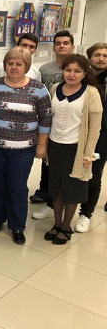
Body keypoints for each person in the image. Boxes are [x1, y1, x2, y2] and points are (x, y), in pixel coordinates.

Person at [0, 47, 52, 245]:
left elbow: (46, 118)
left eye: (18, 64)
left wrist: (41, 145)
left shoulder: (38, 89)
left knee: (17, 186)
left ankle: (17, 226)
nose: (14, 67)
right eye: (10, 63)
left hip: (23, 149)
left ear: (27, 66)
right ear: (5, 65)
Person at [44, 54, 102, 245]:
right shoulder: (55, 88)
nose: (71, 74)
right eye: (68, 70)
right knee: (57, 187)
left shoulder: (91, 93)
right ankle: (56, 223)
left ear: (85, 73)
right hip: (55, 145)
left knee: (72, 189)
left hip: (76, 149)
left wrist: (88, 153)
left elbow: (95, 127)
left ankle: (66, 226)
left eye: (77, 71)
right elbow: (49, 117)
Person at [31, 30, 76, 218]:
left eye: (66, 43)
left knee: (68, 167)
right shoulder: (45, 69)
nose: (62, 46)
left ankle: (68, 203)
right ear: (53, 47)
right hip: (50, 122)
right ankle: (47, 196)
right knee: (48, 161)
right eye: (58, 43)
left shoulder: (79, 67)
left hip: (72, 125)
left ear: (72, 46)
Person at [76, 43, 107, 230]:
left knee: (94, 174)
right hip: (78, 132)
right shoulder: (83, 77)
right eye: (97, 55)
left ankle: (86, 213)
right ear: (90, 57)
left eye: (105, 55)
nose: (101, 59)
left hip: (102, 135)